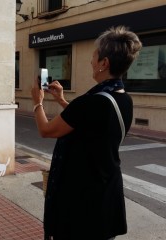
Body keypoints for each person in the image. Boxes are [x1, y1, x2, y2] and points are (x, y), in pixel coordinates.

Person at [31, 26, 142, 239]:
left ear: (104, 63)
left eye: (94, 56)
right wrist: (62, 100)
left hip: (82, 200)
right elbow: (89, 122)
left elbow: (46, 130)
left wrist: (38, 103)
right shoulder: (123, 99)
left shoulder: (91, 103)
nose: (91, 61)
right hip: (107, 193)